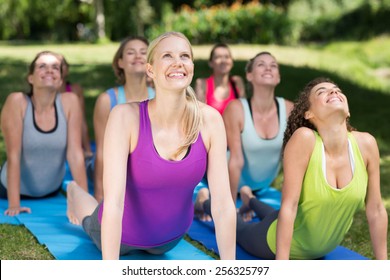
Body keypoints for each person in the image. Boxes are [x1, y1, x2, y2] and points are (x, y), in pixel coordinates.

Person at [66, 31, 236, 260]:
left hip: (170, 240)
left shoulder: (210, 120)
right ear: (150, 70)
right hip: (123, 237)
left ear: (192, 67)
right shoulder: (125, 117)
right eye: (167, 55)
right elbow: (114, 204)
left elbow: (224, 205)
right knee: (90, 218)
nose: (178, 62)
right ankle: (73, 190)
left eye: (185, 56)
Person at [197, 77, 388, 259]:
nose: (333, 91)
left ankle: (250, 198)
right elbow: (288, 206)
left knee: (272, 215)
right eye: (322, 91)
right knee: (240, 229)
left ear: (347, 111)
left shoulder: (366, 144)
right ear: (309, 114)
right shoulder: (305, 139)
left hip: (320, 247)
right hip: (272, 242)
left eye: (337, 90)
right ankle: (204, 201)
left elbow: (377, 209)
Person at [195, 51, 293, 222]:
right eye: (261, 64)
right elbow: (235, 160)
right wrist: (230, 209)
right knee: (213, 208)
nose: (268, 68)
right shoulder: (237, 108)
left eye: (273, 65)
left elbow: (292, 159)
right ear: (249, 75)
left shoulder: (289, 109)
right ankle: (203, 198)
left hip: (263, 181)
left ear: (278, 77)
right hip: (226, 177)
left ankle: (247, 194)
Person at [0, 51, 88, 216]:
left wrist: (84, 201)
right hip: (9, 189)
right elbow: (14, 155)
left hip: (51, 190)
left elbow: (75, 154)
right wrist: (14, 204)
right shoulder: (17, 102)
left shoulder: (70, 102)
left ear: (61, 79)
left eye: (55, 67)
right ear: (30, 78)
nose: (49, 70)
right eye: (42, 66)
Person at [93, 36, 155, 202]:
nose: (138, 56)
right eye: (130, 52)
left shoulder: (160, 98)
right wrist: (100, 195)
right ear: (120, 62)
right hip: (115, 172)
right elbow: (101, 150)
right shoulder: (107, 100)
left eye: (143, 52)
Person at [195, 43, 245, 115]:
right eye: (218, 57)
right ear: (210, 63)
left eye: (227, 57)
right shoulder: (202, 84)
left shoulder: (237, 82)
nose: (223, 61)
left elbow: (244, 113)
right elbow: (200, 116)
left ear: (232, 62)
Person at [59, 55, 93, 159]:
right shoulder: (42, 95)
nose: (59, 67)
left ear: (67, 70)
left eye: (62, 64)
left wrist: (88, 150)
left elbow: (81, 121)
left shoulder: (75, 90)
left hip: (74, 144)